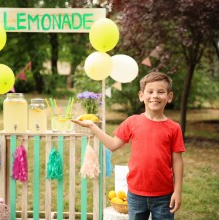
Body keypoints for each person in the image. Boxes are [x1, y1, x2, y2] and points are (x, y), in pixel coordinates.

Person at [72, 72, 185, 220]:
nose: (155, 95)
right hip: (136, 194)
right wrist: (92, 126)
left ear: (169, 97)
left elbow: (177, 161)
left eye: (161, 92)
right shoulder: (132, 122)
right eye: (150, 91)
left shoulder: (174, 128)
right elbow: (112, 145)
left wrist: (177, 191)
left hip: (164, 195)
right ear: (141, 95)